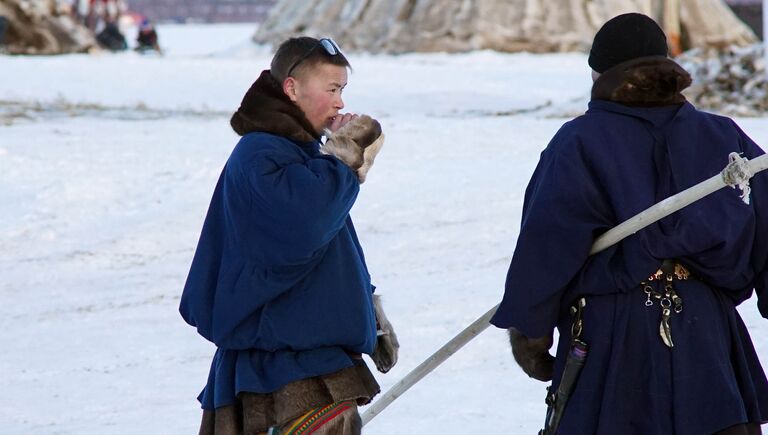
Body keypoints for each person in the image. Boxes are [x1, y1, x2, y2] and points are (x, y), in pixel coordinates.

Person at [491, 13, 768, 435]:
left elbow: (546, 243)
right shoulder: (723, 136)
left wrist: (530, 333)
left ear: (599, 74)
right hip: (704, 335)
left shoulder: (579, 141)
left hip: (613, 335)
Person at [179, 36, 398, 435]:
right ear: (292, 88)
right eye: (332, 89)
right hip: (283, 375)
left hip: (304, 361)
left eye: (343, 90)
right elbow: (306, 225)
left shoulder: (299, 154)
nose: (340, 103)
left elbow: (325, 247)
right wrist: (346, 155)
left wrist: (365, 310)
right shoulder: (263, 153)